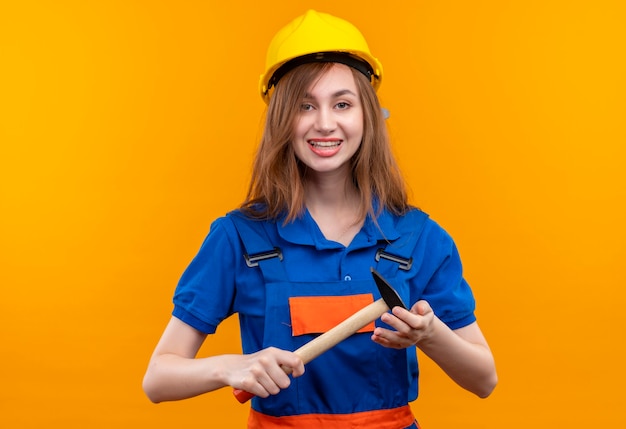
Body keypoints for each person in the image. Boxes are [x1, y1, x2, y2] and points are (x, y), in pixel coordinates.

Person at [142, 9, 497, 428]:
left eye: (342, 104)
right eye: (305, 105)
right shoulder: (238, 238)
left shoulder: (418, 238)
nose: (325, 123)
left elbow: (484, 379)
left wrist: (430, 335)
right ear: (281, 121)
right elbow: (158, 379)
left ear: (367, 116)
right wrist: (231, 366)